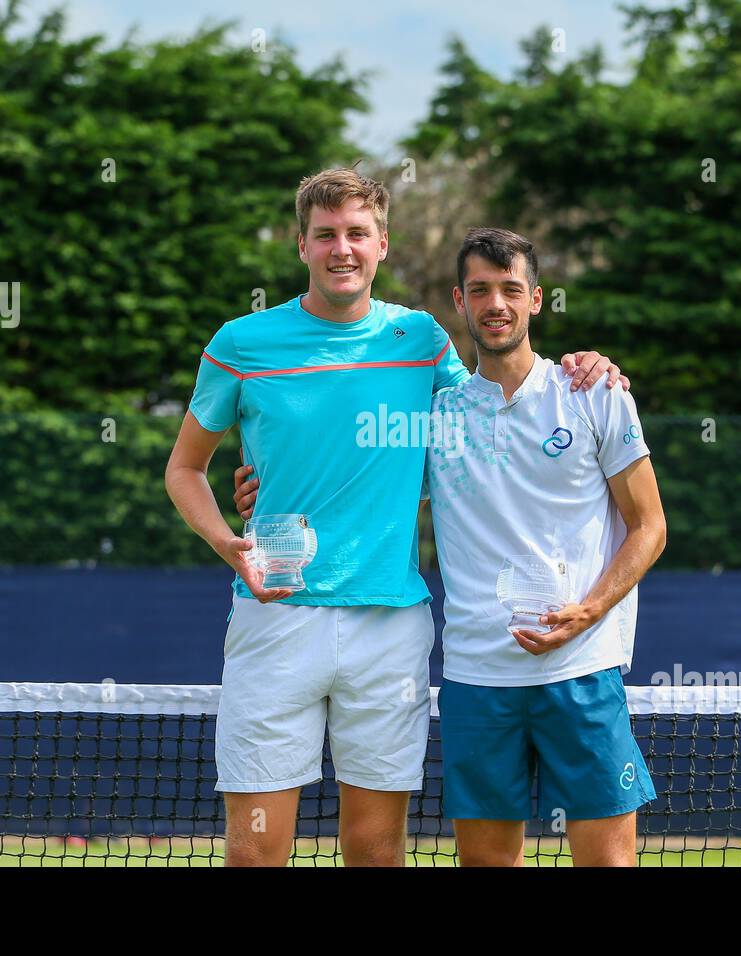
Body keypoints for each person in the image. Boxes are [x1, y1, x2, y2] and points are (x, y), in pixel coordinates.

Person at [165, 168, 629, 866]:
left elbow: (492, 412)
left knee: (377, 851)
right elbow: (183, 469)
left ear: (383, 245)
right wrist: (230, 540)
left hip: (391, 630)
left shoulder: (422, 341)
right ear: (302, 246)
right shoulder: (240, 343)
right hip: (274, 619)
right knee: (254, 853)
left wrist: (588, 366)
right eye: (326, 235)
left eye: (358, 234)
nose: (342, 249)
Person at [425, 227, 667, 866]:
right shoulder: (433, 417)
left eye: (511, 289)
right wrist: (265, 491)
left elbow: (650, 527)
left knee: (608, 864)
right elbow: (357, 490)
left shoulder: (595, 394)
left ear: (537, 299)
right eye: (480, 290)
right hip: (477, 681)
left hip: (582, 672)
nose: (495, 304)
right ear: (460, 300)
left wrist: (588, 612)